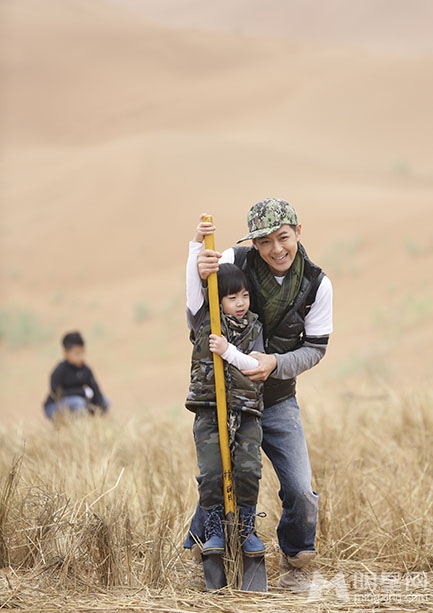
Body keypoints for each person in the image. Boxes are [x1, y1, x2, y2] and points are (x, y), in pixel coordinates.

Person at [185, 198, 333, 591]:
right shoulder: (235, 258)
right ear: (254, 243)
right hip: (228, 395)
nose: (275, 249)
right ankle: (206, 544)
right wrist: (198, 265)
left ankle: (296, 551)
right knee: (220, 472)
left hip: (278, 397)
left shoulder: (318, 284)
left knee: (300, 490)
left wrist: (275, 364)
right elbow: (200, 312)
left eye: (282, 238)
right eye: (265, 242)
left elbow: (315, 349)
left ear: (298, 233)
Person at [185, 216, 267, 557]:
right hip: (209, 408)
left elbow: (256, 365)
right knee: (211, 473)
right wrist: (196, 241)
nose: (241, 302)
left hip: (246, 411)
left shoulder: (254, 328)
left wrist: (229, 352)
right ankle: (214, 530)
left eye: (245, 295)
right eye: (232, 297)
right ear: (217, 301)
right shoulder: (204, 319)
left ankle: (246, 531)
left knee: (248, 470)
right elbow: (193, 283)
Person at [43, 331, 109, 421]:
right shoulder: (59, 371)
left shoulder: (86, 370)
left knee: (105, 401)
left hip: (81, 401)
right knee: (77, 403)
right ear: (65, 352)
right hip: (55, 406)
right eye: (77, 353)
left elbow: (95, 389)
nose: (81, 357)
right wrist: (82, 392)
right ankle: (80, 430)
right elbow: (57, 394)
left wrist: (100, 404)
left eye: (82, 353)